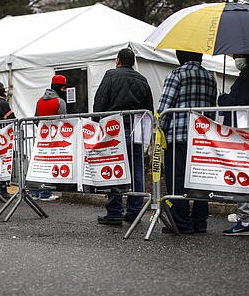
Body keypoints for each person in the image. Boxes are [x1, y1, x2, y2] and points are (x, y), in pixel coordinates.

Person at [158, 50, 217, 234]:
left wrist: (159, 128)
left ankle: (181, 222)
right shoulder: (210, 77)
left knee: (177, 179)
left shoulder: (177, 74)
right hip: (202, 136)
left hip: (179, 135)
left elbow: (165, 106)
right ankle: (200, 221)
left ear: (179, 57)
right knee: (200, 180)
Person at [93, 48, 154, 226]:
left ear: (118, 60)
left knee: (114, 169)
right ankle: (135, 211)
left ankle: (114, 212)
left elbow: (100, 102)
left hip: (114, 131)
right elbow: (148, 107)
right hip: (136, 131)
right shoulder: (142, 79)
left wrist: (97, 123)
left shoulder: (110, 75)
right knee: (136, 171)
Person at [219, 54, 249, 236]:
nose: (234, 58)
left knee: (244, 172)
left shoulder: (248, 75)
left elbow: (236, 100)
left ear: (246, 57)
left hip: (246, 130)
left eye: (237, 55)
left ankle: (245, 220)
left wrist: (222, 98)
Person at [31, 74, 68, 201]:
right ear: (59, 88)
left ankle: (35, 193)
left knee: (39, 164)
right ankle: (46, 194)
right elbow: (64, 121)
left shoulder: (39, 101)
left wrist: (43, 131)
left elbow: (35, 119)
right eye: (63, 88)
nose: (65, 91)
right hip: (55, 138)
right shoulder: (60, 102)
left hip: (41, 138)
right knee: (50, 164)